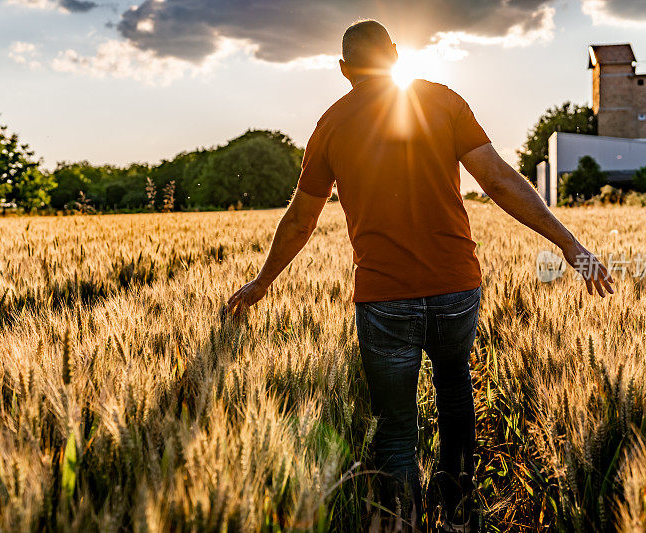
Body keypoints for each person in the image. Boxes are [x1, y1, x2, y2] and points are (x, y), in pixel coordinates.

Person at [226, 19, 614, 532]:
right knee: (456, 393)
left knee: (395, 430)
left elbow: (301, 219)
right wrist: (571, 245)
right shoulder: (443, 101)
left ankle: (403, 521)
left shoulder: (330, 125)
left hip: (384, 300)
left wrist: (261, 284)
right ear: (395, 53)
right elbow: (499, 180)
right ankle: (456, 509)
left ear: (344, 71)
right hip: (457, 289)